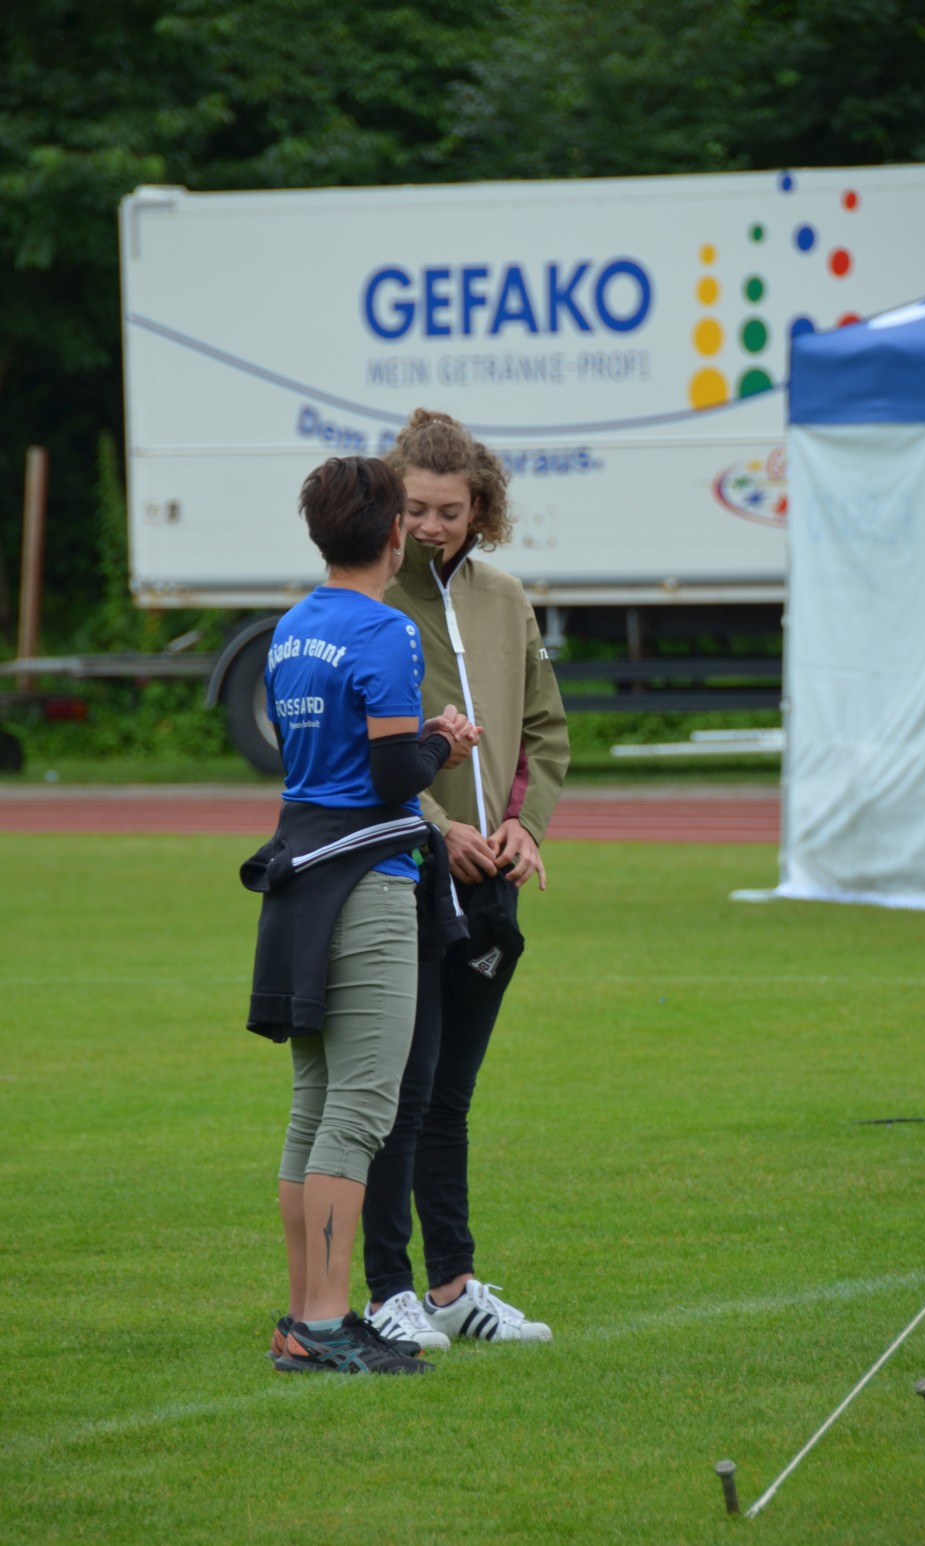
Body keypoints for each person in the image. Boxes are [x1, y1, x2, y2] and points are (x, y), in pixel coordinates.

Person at [240, 455, 479, 1375]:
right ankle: (328, 1323)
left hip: (299, 877)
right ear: (392, 533)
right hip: (367, 881)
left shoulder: (292, 627)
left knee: (313, 1102)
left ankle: (306, 1316)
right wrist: (442, 741)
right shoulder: (385, 630)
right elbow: (390, 775)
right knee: (361, 1108)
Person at [360, 408, 570, 1350]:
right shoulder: (369, 604)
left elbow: (544, 731)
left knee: (451, 1096)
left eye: (451, 510)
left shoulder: (506, 598)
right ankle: (387, 1290)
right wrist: (440, 829)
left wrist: (523, 825)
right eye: (416, 508)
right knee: (400, 1095)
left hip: (493, 885)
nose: (433, 526)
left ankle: (453, 1286)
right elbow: (365, 755)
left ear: (481, 509)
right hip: (403, 874)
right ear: (390, 508)